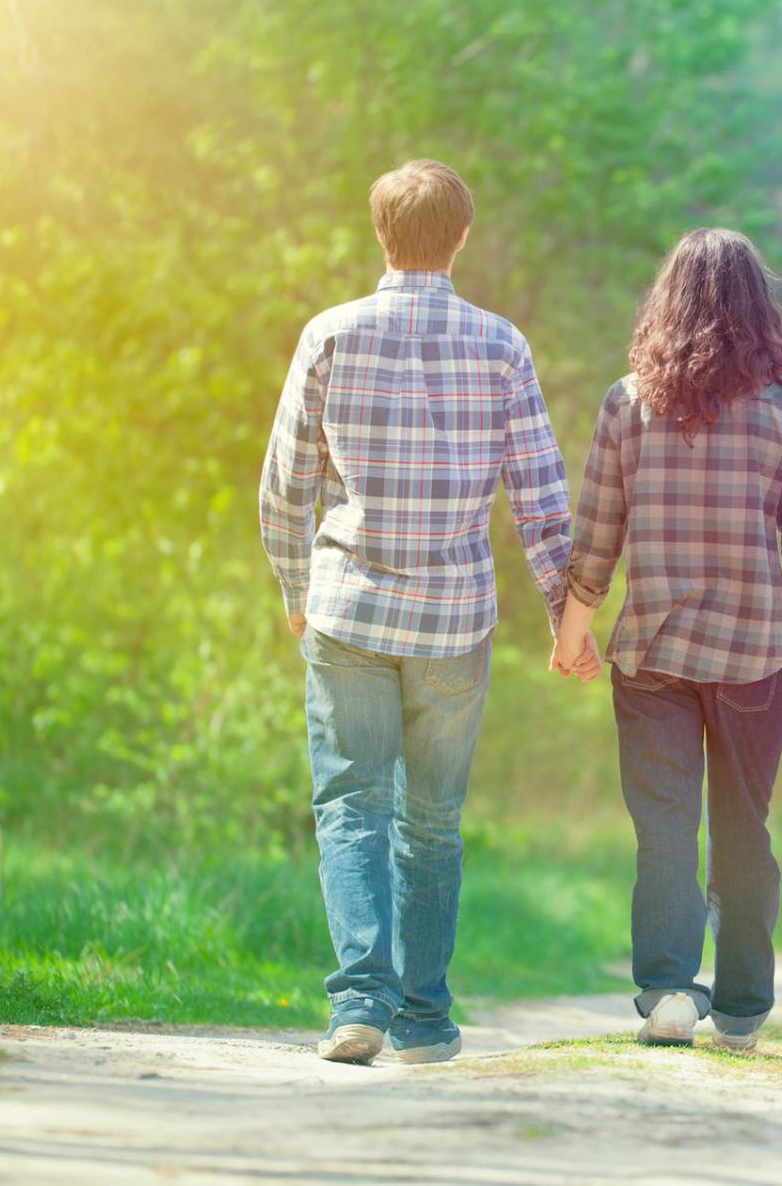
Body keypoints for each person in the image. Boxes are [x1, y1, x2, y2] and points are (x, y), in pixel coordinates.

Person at [258, 158, 599, 1066]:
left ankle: (357, 1005)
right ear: (459, 238)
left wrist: (297, 588)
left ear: (381, 234)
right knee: (432, 822)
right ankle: (422, 1018)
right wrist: (569, 615)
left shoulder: (329, 335)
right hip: (454, 619)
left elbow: (285, 484)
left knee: (349, 806)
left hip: (349, 609)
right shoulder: (501, 344)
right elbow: (540, 497)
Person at [553, 227, 782, 1052]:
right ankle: (743, 1006)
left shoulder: (627, 402)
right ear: (758, 308)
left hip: (652, 656)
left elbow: (595, 537)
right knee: (745, 825)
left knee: (666, 827)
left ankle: (670, 989)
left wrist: (574, 634)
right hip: (753, 656)